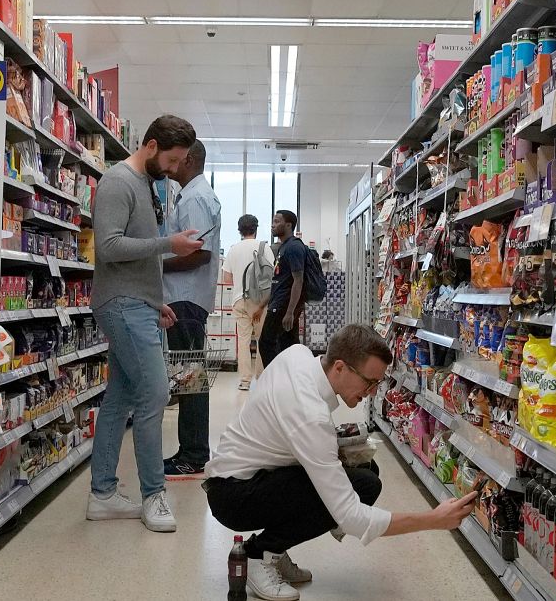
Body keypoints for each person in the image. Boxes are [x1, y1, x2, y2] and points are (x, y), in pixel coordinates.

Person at [203, 325, 478, 601]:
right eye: (368, 382)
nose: (371, 392)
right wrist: (434, 519)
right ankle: (258, 555)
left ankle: (274, 548)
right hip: (233, 495)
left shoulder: (299, 354)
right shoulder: (311, 416)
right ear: (339, 367)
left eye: (377, 384)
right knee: (362, 487)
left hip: (244, 474)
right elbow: (352, 516)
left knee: (366, 470)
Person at [87, 115, 205, 532]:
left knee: (119, 400)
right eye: (171, 161)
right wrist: (168, 243)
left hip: (137, 304)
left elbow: (139, 255)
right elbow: (110, 247)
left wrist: (156, 302)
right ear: (151, 146)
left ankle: (102, 494)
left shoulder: (148, 186)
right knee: (154, 396)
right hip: (120, 305)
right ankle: (154, 495)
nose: (174, 170)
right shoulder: (119, 182)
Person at [160, 140, 221, 478]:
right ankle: (191, 451)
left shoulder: (196, 198)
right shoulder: (192, 195)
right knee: (189, 377)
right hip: (186, 299)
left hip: (185, 299)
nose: (171, 165)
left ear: (191, 159)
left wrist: (156, 265)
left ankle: (194, 455)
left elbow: (200, 253)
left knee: (191, 378)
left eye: (177, 158)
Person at [221, 214, 274, 390]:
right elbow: (271, 273)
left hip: (239, 300)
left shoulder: (233, 249)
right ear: (256, 229)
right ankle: (261, 378)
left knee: (243, 340)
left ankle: (244, 381)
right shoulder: (264, 248)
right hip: (259, 302)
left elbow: (227, 277)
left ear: (239, 231)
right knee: (261, 339)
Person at [258, 210, 305, 366]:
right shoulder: (284, 247)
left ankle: (274, 379)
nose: (273, 224)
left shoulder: (293, 247)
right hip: (279, 303)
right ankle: (288, 381)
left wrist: (290, 312)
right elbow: (278, 281)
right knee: (288, 346)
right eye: (273, 221)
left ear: (288, 225)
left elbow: (298, 280)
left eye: (277, 221)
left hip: (283, 306)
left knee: (266, 343)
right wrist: (262, 305)